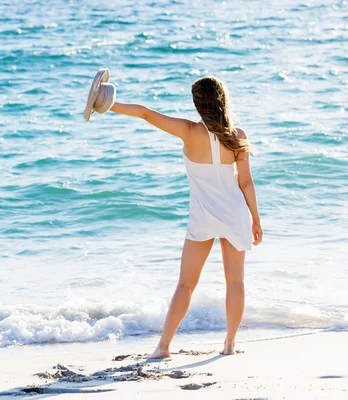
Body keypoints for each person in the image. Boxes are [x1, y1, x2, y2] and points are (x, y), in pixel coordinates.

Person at [109, 76, 262, 358]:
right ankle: (229, 345)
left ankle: (163, 346)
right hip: (235, 214)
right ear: (223, 101)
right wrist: (256, 219)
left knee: (185, 284)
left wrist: (107, 104)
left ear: (197, 104)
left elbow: (144, 113)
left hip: (203, 217)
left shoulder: (189, 131)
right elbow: (246, 183)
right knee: (236, 282)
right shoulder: (237, 136)